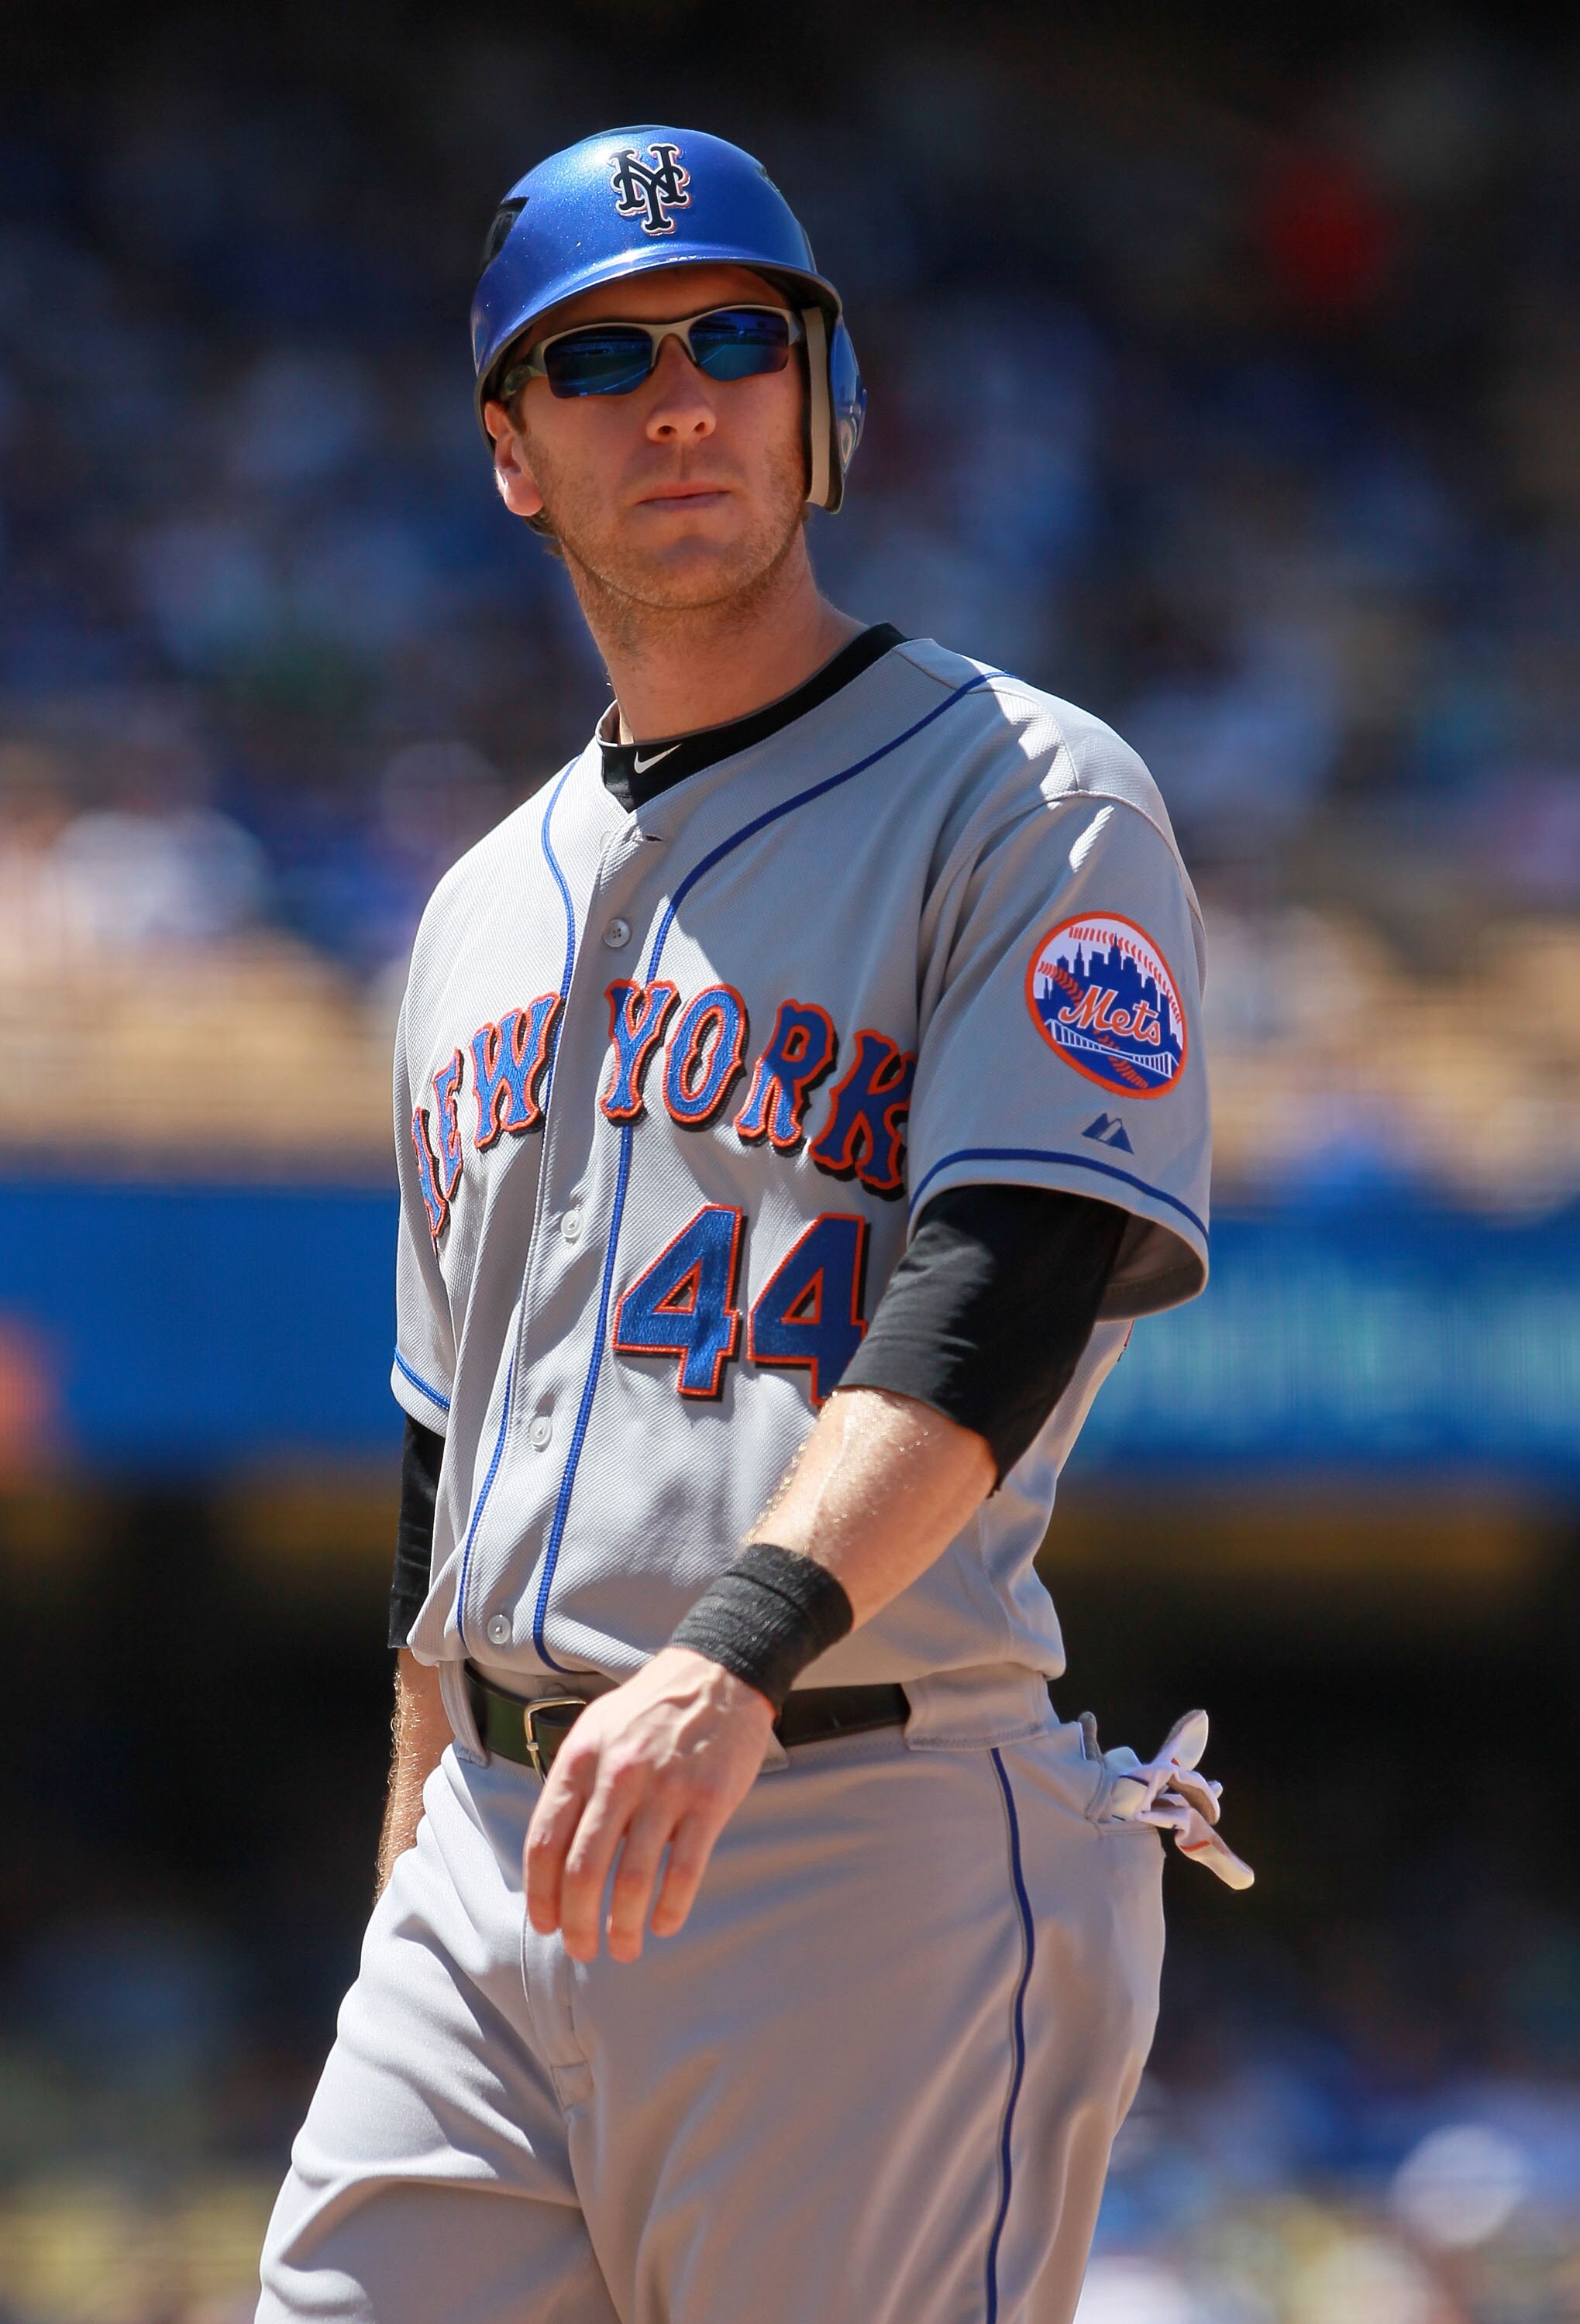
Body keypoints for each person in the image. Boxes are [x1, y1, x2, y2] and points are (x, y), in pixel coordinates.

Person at [257, 125, 1245, 2324]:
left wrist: (731, 1653)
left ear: (827, 407)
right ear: (513, 455)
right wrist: (412, 1876)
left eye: (732, 340)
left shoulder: (1023, 790)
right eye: (598, 363)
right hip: (495, 1863)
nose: (678, 398)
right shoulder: (472, 909)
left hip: (848, 1822)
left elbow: (1008, 1288)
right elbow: (449, 1464)